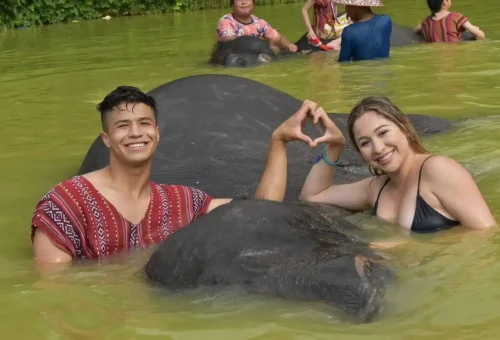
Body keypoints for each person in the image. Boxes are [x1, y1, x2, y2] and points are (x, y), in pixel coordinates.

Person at [30, 86, 239, 265]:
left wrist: (274, 151)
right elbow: (53, 288)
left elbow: (252, 213)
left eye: (144, 123)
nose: (136, 133)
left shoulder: (179, 201)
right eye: (123, 126)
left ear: (157, 133)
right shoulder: (65, 205)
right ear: (107, 139)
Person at [256, 97, 497, 232]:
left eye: (383, 133)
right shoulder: (376, 188)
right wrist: (335, 146)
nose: (379, 148)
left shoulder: (438, 170)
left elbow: (487, 237)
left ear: (404, 126)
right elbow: (312, 195)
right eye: (365, 143)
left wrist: (407, 248)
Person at [216, 0, 297, 52]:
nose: (244, 2)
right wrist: (264, 45)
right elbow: (229, 41)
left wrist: (288, 45)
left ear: (253, 4)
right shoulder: (226, 20)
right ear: (232, 5)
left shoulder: (260, 22)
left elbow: (278, 38)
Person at [414, 0, 485, 42]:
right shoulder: (456, 16)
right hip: (456, 51)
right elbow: (481, 36)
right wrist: (477, 30)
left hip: (436, 52)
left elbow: (416, 30)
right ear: (445, 2)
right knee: (476, 31)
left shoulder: (426, 21)